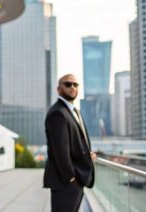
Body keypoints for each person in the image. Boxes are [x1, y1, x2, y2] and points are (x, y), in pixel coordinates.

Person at [43, 74, 96, 212]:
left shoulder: (74, 111)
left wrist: (87, 155)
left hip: (75, 180)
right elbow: (60, 150)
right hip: (66, 182)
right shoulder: (57, 113)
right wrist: (71, 177)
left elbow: (75, 143)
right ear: (59, 89)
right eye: (67, 84)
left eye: (75, 85)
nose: (72, 87)